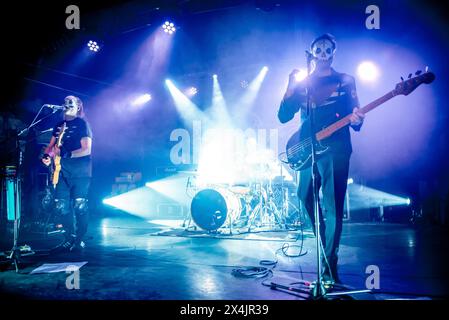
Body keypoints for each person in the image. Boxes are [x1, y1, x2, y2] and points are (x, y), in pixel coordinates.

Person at [278, 34, 365, 285]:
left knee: (333, 205)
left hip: (336, 148)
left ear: (334, 51)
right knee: (304, 197)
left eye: (328, 48)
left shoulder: (346, 80)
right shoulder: (304, 82)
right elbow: (284, 116)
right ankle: (325, 251)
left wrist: (359, 120)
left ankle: (330, 262)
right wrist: (289, 88)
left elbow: (356, 114)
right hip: (307, 149)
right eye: (319, 48)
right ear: (312, 52)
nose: (323, 52)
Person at [42, 95, 92, 253]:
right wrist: (47, 156)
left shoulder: (82, 124)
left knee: (80, 206)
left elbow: (87, 149)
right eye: (65, 101)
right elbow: (51, 147)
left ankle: (80, 239)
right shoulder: (59, 125)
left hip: (81, 172)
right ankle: (69, 237)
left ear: (78, 106)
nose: (67, 103)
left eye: (71, 102)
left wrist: (67, 154)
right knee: (61, 206)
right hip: (61, 172)